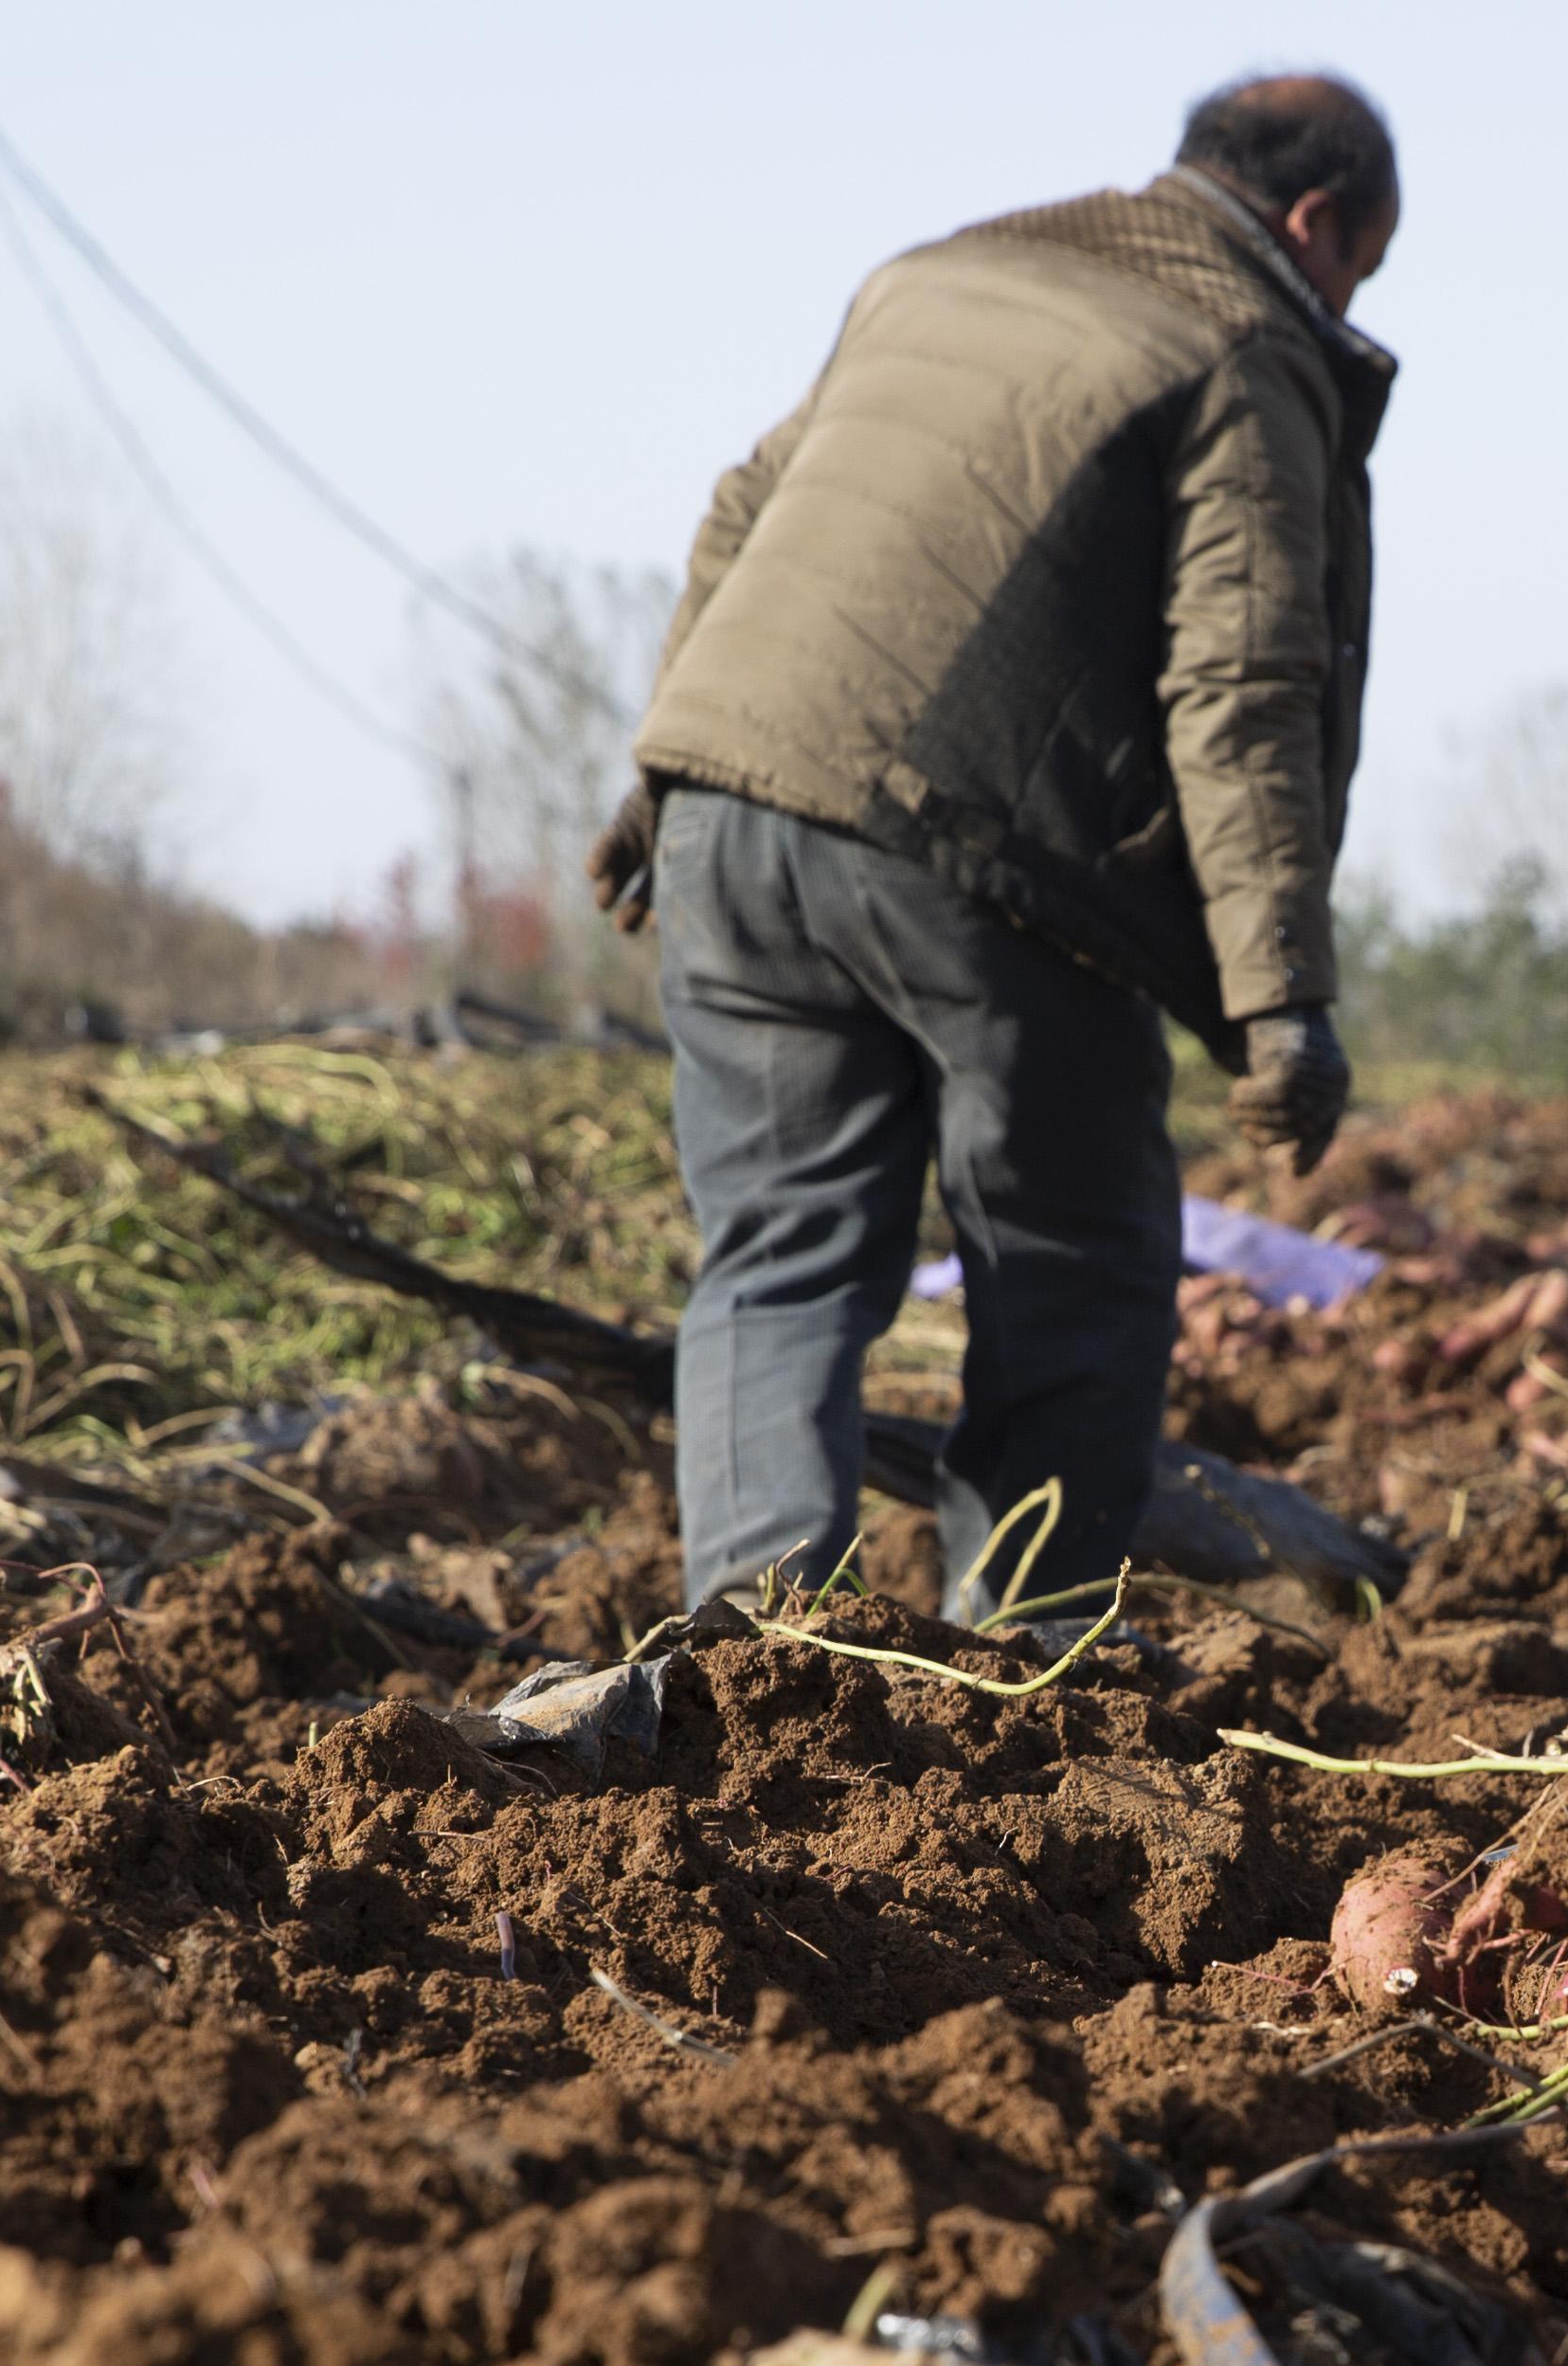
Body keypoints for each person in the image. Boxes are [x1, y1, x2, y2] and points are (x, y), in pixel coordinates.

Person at [590, 73, 1398, 1614]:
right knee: (1075, 1265)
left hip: (728, 818)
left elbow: (740, 516)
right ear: (1317, 225)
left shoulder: (931, 274)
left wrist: (657, 784)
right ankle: (1026, 1670)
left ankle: (761, 1659)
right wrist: (1281, 997)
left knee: (775, 1257)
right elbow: (1243, 684)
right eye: (1363, 265)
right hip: (974, 851)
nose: (1348, 294)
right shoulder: (1247, 342)